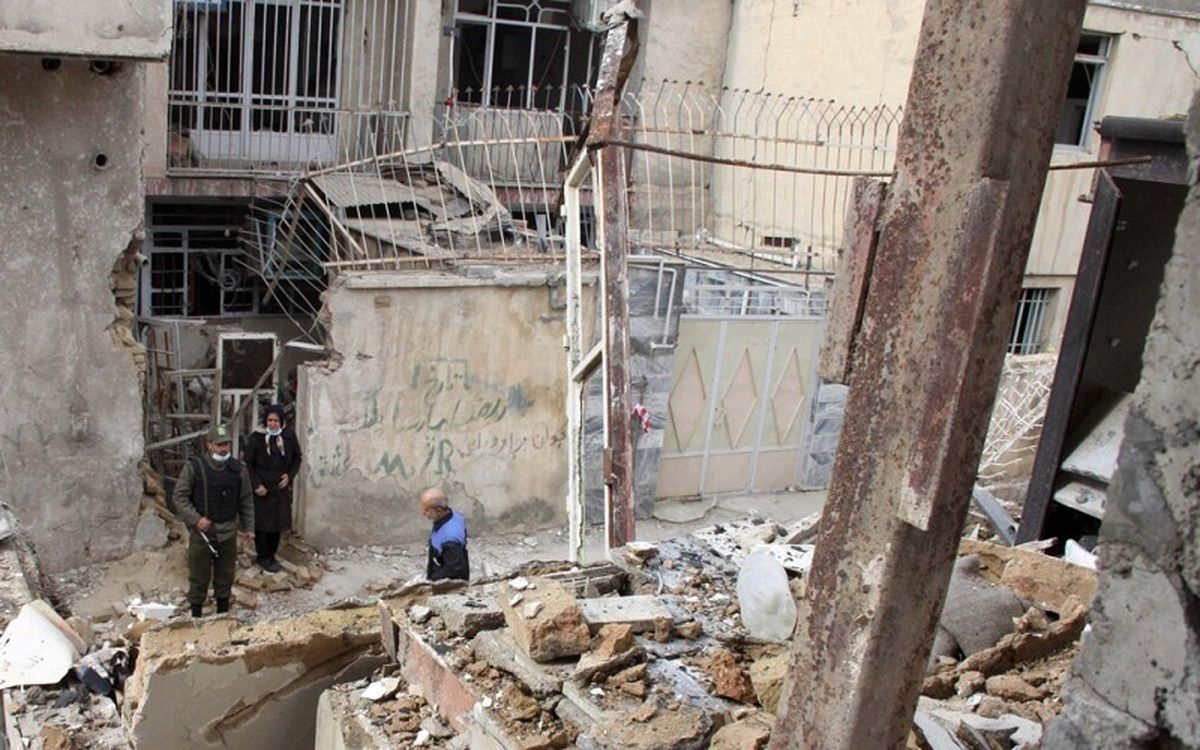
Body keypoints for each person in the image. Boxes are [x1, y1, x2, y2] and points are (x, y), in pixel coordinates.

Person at [171, 424, 254, 617]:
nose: (224, 448)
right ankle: (196, 617)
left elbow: (246, 500)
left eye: (226, 444)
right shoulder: (194, 468)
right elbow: (179, 497)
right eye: (220, 444)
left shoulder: (238, 469)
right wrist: (196, 519)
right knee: (198, 577)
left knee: (225, 577)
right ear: (210, 445)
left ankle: (222, 616)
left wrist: (249, 528)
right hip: (203, 534)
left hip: (228, 532)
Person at [242, 404, 302, 573]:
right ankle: (262, 557)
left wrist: (289, 476)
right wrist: (256, 484)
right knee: (262, 525)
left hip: (279, 489)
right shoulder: (257, 438)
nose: (273, 424)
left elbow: (297, 458)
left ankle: (271, 555)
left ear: (281, 421)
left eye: (276, 420)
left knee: (276, 524)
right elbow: (248, 464)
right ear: (265, 421)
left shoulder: (288, 437)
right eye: (270, 420)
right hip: (262, 490)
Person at [421, 488, 469, 582]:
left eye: (426, 510)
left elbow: (454, 571)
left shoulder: (449, 540)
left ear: (439, 511)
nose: (423, 513)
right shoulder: (456, 516)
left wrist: (433, 580)